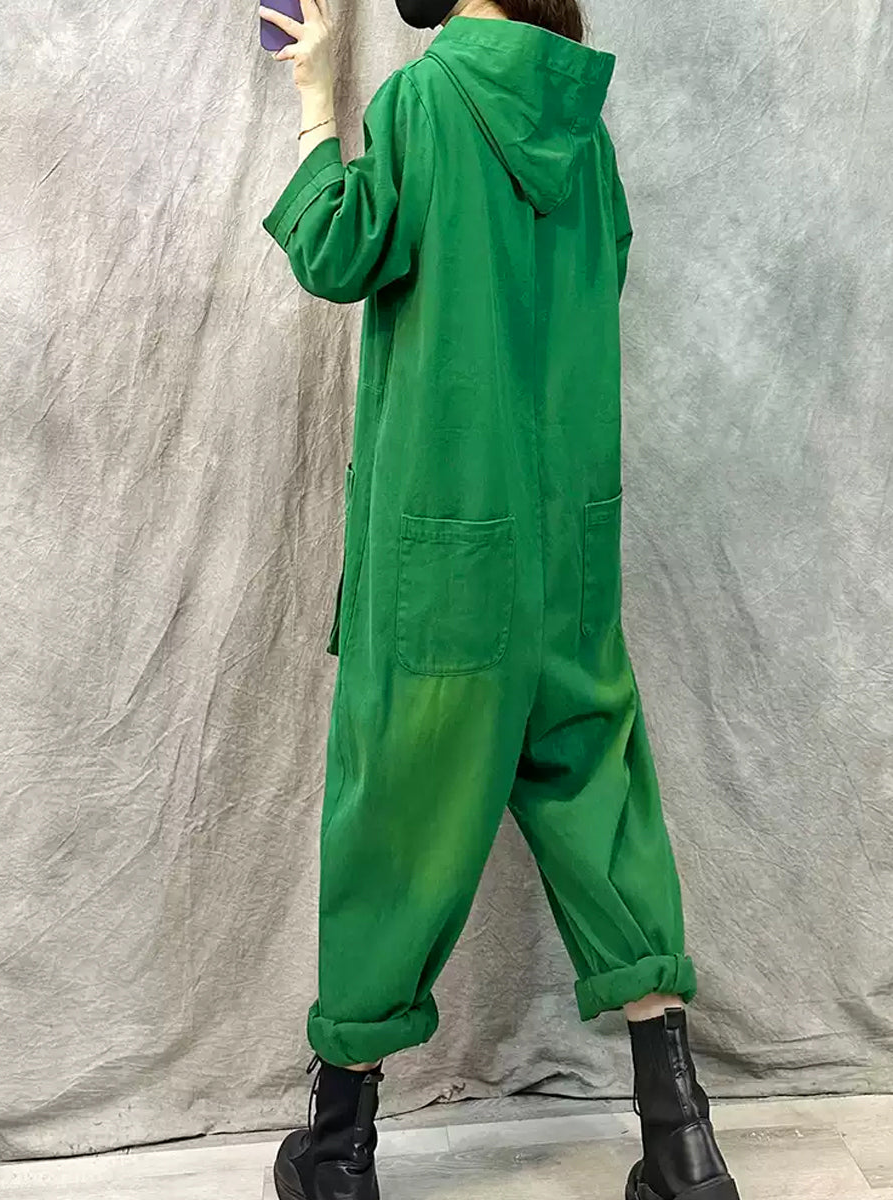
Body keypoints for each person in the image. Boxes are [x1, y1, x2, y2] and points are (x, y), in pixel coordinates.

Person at [259, 0, 741, 1196]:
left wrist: (318, 104)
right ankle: (683, 1145)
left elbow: (336, 254)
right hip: (566, 546)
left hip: (447, 555)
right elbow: (601, 279)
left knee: (394, 823)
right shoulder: (585, 128)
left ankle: (336, 1147)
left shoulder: (425, 99)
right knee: (604, 808)